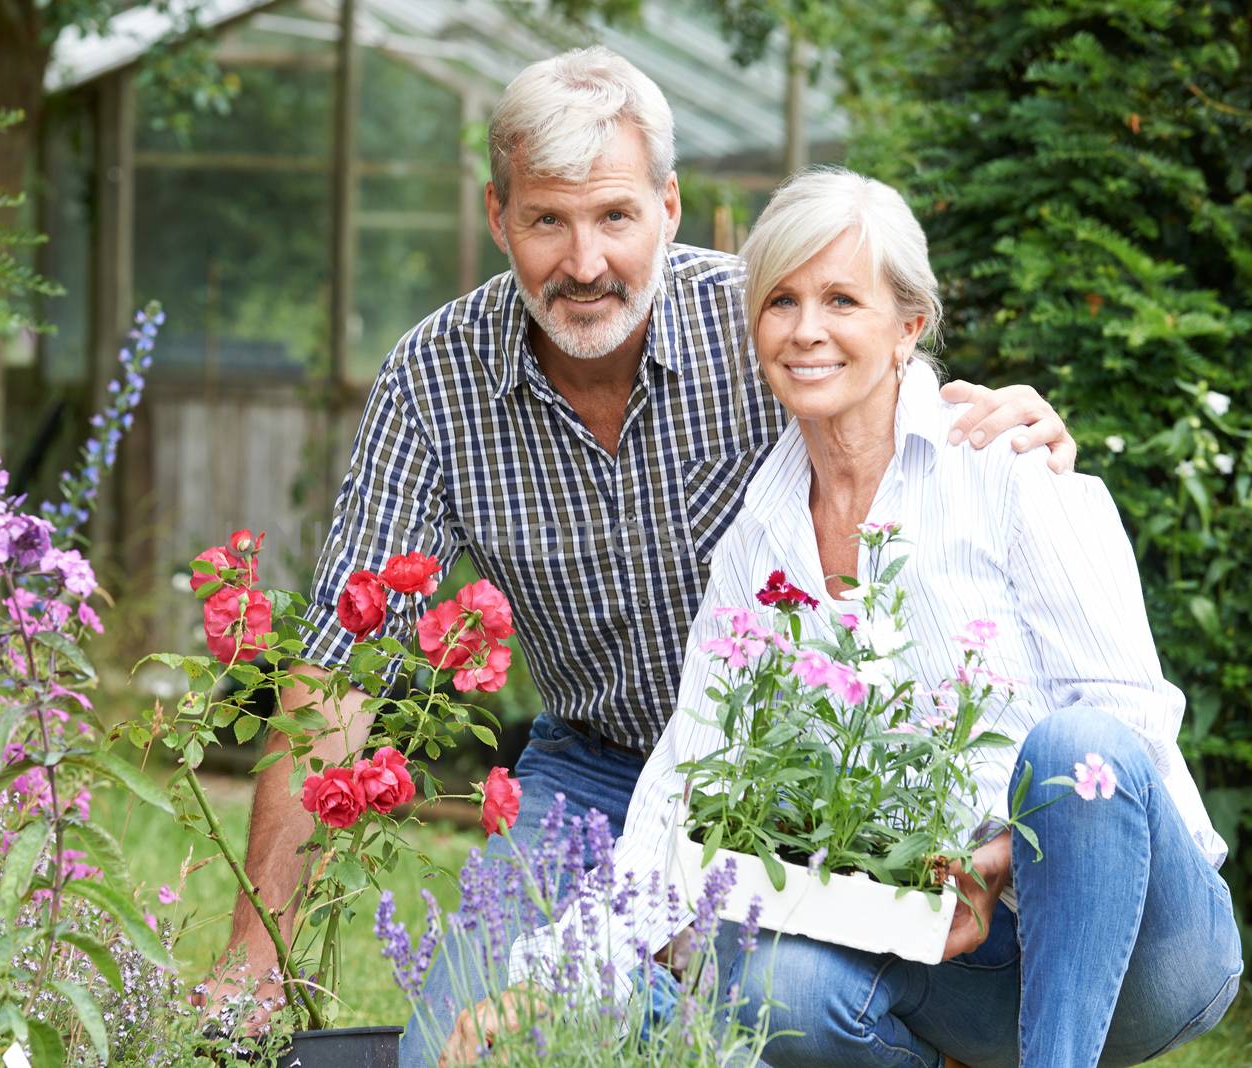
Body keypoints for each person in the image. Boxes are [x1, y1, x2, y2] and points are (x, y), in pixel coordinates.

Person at [195, 49, 1076, 1067]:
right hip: (594, 777)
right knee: (458, 1041)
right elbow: (343, 676)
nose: (583, 262)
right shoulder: (433, 382)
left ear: (669, 205)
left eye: (613, 216)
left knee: (782, 1013)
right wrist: (256, 958)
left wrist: (1013, 422)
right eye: (546, 221)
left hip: (787, 783)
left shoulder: (761, 323)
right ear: (497, 217)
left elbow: (899, 409)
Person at [484, 168, 1241, 1068]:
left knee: (1078, 743)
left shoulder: (1005, 467)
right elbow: (684, 782)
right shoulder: (756, 545)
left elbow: (1132, 732)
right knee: (774, 986)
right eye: (781, 302)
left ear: (907, 326)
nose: (807, 330)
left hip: (1145, 953)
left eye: (842, 299)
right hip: (961, 961)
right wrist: (545, 978)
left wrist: (1005, 849)